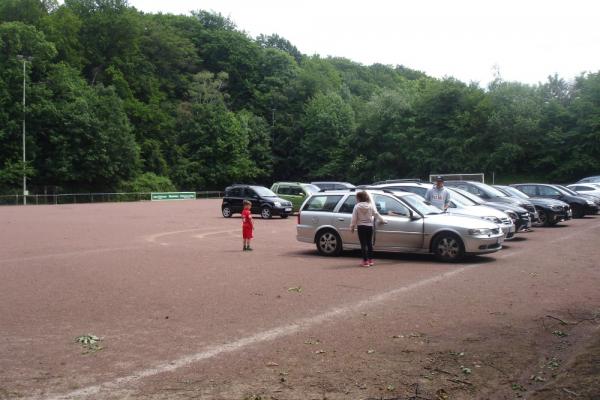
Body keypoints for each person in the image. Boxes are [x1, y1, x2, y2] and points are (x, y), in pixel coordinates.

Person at [350, 191, 386, 267]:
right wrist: (382, 220)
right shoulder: (370, 206)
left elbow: (354, 218)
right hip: (369, 226)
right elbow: (376, 214)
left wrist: (352, 226)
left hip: (361, 227)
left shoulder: (356, 206)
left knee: (363, 244)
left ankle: (365, 261)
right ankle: (370, 260)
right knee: (369, 243)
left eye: (357, 198)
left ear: (359, 198)